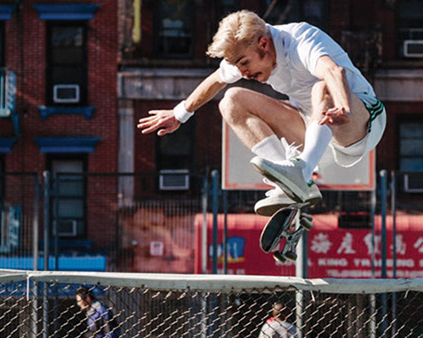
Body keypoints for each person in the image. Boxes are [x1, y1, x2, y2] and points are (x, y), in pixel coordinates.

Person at [138, 10, 386, 217]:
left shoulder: (301, 39)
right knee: (231, 100)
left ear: (264, 44)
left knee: (321, 87)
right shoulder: (244, 51)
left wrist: (343, 108)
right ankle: (291, 185)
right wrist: (179, 114)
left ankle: (301, 173)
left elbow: (334, 72)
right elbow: (216, 80)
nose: (243, 72)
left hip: (360, 122)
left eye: (244, 64)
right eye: (237, 66)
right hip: (315, 130)